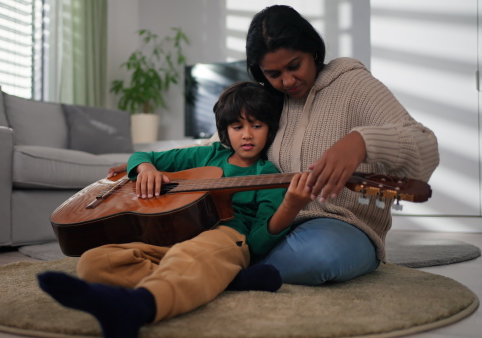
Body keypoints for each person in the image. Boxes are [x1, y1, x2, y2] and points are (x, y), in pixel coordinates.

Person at [107, 5, 440, 286]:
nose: (287, 81)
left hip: (337, 225)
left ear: (313, 50)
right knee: (221, 239)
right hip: (261, 226)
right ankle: (212, 268)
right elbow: (218, 146)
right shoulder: (268, 100)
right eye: (273, 73)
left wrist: (361, 142)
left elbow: (424, 144)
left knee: (318, 257)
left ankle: (202, 270)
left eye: (294, 66)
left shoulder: (353, 84)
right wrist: (145, 164)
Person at [37, 81, 313, 338]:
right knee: (96, 261)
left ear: (270, 128)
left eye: (257, 125)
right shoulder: (208, 154)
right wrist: (145, 170)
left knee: (191, 254)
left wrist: (290, 205)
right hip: (177, 237)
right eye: (237, 127)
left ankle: (141, 305)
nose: (247, 134)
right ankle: (224, 279)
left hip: (226, 236)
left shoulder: (267, 174)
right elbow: (143, 156)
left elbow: (258, 243)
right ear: (225, 130)